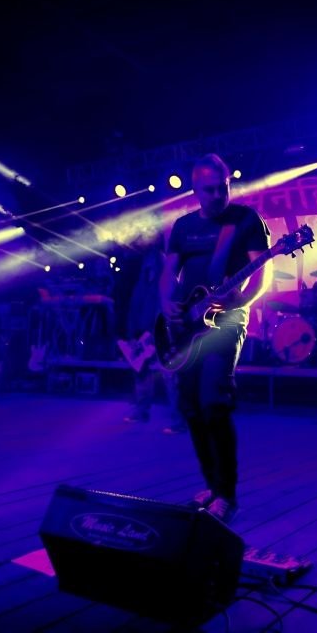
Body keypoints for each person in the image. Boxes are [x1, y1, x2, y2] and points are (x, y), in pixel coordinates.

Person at [159, 153, 271, 523]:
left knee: (213, 402)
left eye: (223, 188)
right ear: (195, 189)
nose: (218, 195)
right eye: (209, 190)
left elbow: (262, 273)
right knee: (191, 406)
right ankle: (212, 486)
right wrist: (167, 303)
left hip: (227, 322)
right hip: (188, 324)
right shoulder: (183, 226)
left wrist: (242, 301)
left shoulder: (245, 220)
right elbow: (169, 273)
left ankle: (227, 495)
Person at [120, 241, 186, 433]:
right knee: (141, 373)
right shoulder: (141, 284)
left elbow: (170, 308)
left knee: (170, 376)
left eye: (153, 258)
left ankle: (179, 419)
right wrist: (132, 336)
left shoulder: (168, 283)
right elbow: (133, 310)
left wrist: (154, 331)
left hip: (161, 335)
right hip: (142, 337)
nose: (149, 262)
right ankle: (141, 411)